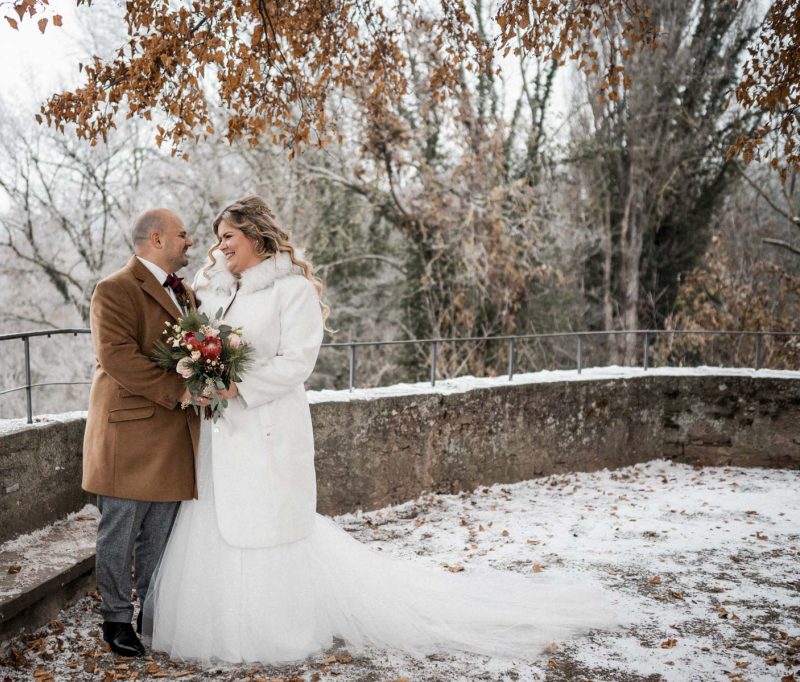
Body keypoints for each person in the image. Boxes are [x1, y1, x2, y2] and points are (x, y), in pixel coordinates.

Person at [141, 195, 621, 665]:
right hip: (216, 438)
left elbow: (298, 362)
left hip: (267, 428)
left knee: (270, 524)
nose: (219, 247)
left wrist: (237, 386)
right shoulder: (213, 290)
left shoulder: (292, 290)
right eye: (218, 239)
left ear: (257, 237)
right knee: (217, 522)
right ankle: (220, 625)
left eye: (228, 237)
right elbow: (197, 342)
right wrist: (200, 376)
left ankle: (270, 629)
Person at [82, 208, 208, 658]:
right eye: (183, 234)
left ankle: (151, 613)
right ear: (156, 239)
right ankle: (115, 619)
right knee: (119, 528)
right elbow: (117, 358)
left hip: (175, 433)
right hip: (129, 433)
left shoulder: (187, 294)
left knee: (160, 531)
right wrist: (181, 391)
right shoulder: (113, 289)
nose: (189, 241)